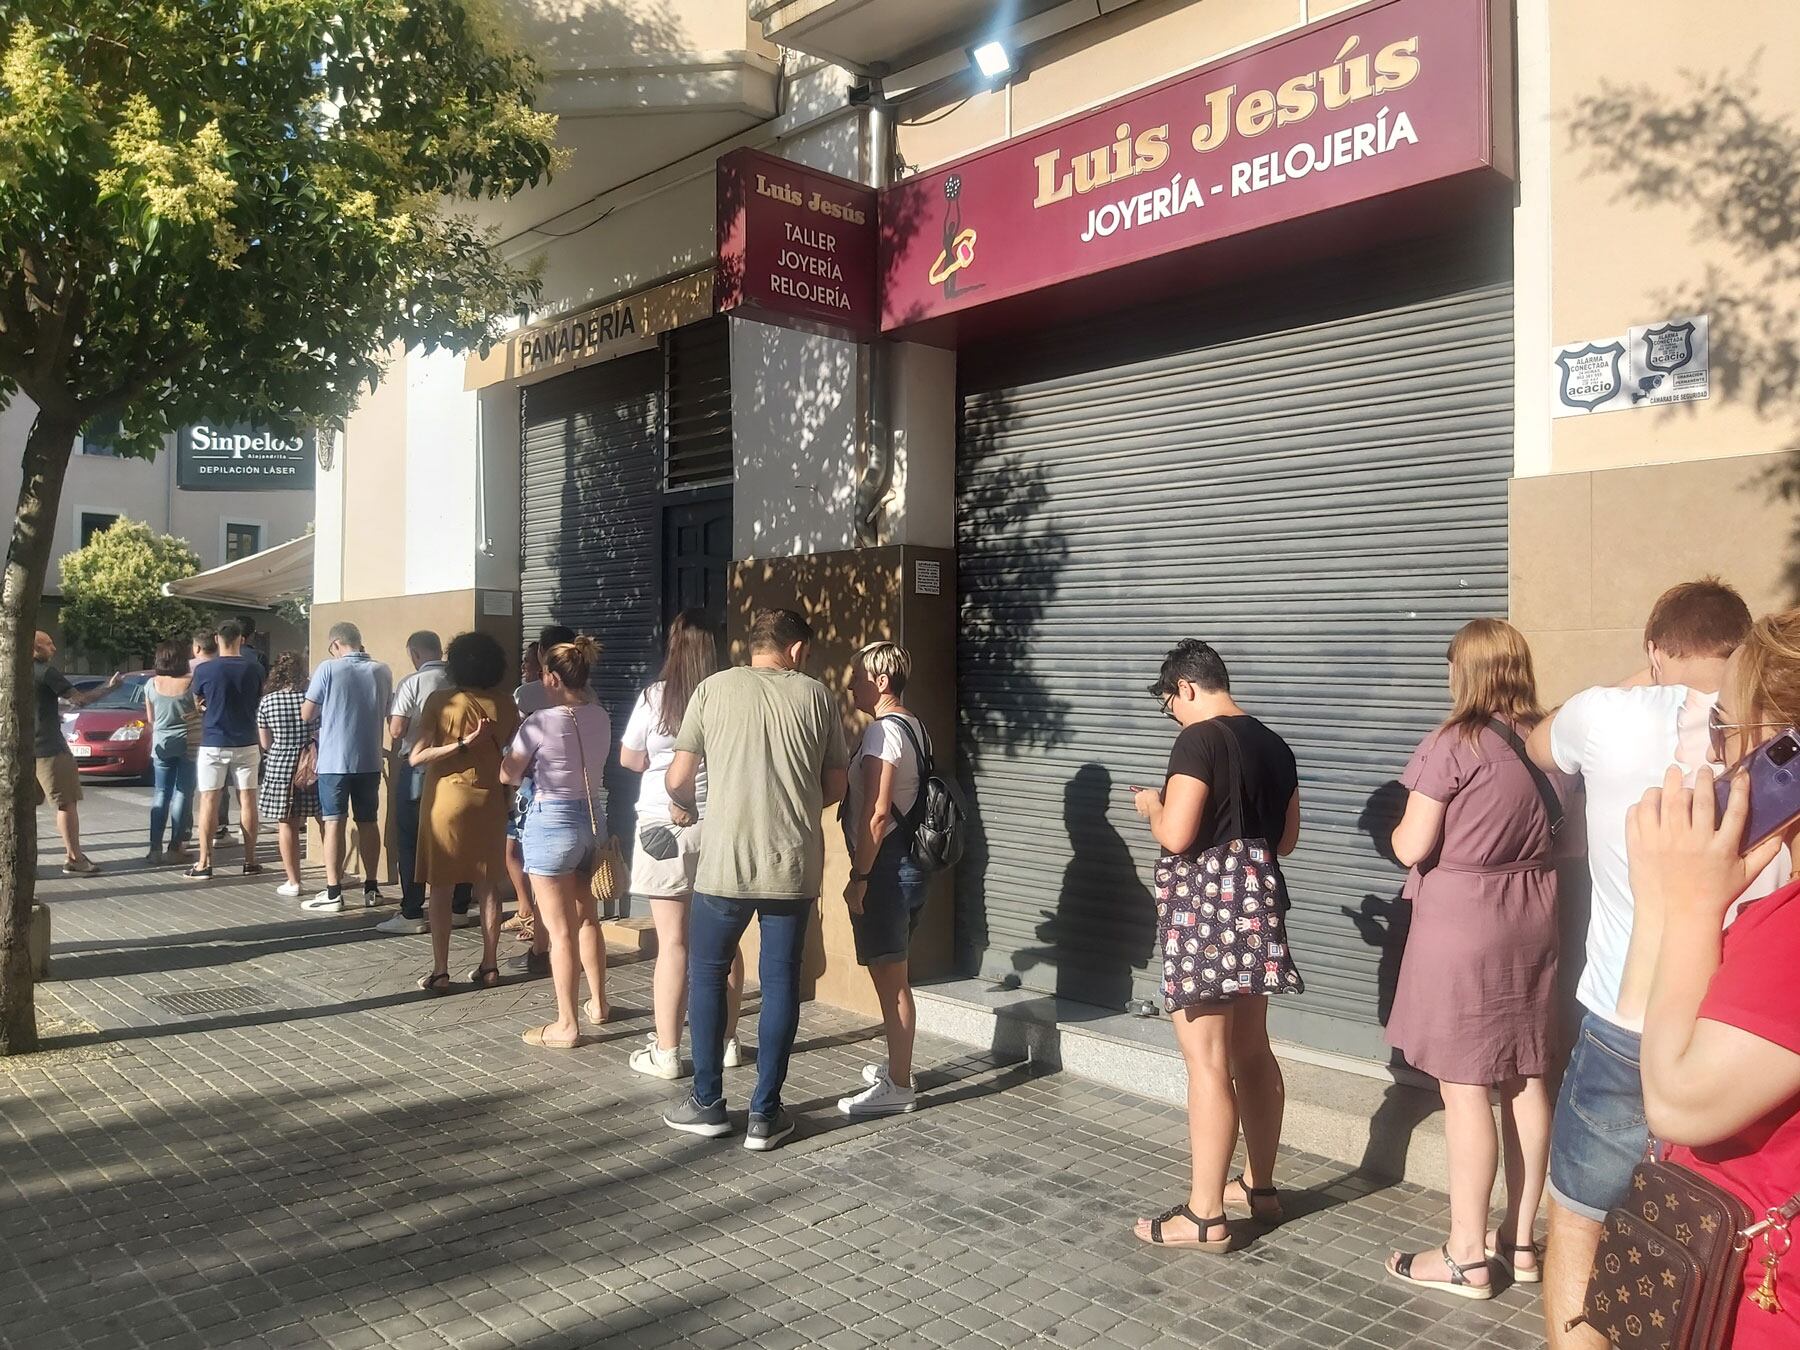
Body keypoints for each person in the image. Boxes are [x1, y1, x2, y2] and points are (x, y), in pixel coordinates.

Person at [1525, 578, 1756, 1345]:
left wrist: (1644, 679)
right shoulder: (1770, 728)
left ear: (1657, 647)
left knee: (1582, 1227)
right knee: (1718, 1240)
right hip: (1738, 1040)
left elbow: (1536, 741)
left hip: (1627, 1022)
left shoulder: (1603, 713)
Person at [1382, 620, 1572, 1299]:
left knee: (1465, 1090)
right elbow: (1570, 844)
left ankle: (1465, 1255)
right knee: (1527, 1077)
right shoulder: (1553, 745)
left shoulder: (1451, 743)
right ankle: (1520, 1244)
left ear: (1467, 671)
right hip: (1537, 915)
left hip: (1465, 921)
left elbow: (1410, 845)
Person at [1629, 609, 1800, 1350]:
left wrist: (1693, 902)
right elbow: (1643, 1011)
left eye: (1732, 726)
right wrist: (1668, 900)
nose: (1721, 756)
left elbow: (1676, 1101)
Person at [1130, 639, 1302, 1251]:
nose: (1172, 715)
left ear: (1188, 687)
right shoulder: (1274, 742)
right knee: (1253, 1050)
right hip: (1257, 907)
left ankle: (1204, 1217)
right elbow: (1286, 840)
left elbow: (1178, 836)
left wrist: (1153, 805)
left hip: (1206, 911)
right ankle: (1260, 1187)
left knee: (1206, 1061)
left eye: (1170, 703)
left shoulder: (1196, 740)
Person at [661, 609, 849, 1153]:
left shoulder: (711, 690)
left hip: (723, 864)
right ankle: (766, 1115)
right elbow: (835, 784)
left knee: (708, 973)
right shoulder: (816, 696)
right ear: (794, 649)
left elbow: (677, 778)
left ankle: (707, 1102)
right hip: (791, 866)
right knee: (781, 983)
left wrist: (685, 807)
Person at [620, 609, 743, 1080]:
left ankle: (668, 1052)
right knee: (725, 940)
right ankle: (727, 1042)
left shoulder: (654, 698)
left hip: (660, 828)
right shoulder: (729, 696)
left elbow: (630, 759)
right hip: (719, 824)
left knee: (672, 943)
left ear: (674, 646)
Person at [500, 635, 612, 1046]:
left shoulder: (538, 722)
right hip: (592, 819)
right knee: (588, 918)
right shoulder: (600, 716)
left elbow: (508, 774)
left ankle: (566, 1024)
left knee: (559, 929)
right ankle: (599, 1003)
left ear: (549, 677)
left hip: (551, 822)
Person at [836, 641, 932, 1116]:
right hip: (909, 866)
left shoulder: (882, 734)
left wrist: (860, 876)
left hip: (886, 870)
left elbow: (876, 816)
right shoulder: (915, 726)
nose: (849, 684)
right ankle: (898, 1065)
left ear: (879, 683)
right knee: (894, 974)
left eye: (855, 676)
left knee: (891, 979)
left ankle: (898, 1085)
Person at [410, 632, 520, 991]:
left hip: (446, 800)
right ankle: (490, 964)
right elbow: (514, 757)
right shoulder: (506, 705)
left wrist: (460, 744)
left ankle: (441, 969)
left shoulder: (442, 701)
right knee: (488, 885)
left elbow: (417, 756)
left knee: (440, 886)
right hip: (490, 799)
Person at [379, 631, 474, 936]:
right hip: (459, 764)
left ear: (415, 654)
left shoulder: (412, 682)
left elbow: (396, 729)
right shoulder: (461, 679)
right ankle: (459, 907)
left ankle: (411, 911)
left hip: (419, 766)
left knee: (411, 839)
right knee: (458, 838)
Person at [301, 622, 393, 912]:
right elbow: (389, 712)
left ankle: (333, 891)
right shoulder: (382, 670)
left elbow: (307, 713)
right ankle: (371, 887)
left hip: (333, 760)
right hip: (369, 760)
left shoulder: (328, 668)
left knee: (334, 822)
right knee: (368, 822)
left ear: (336, 644)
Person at [503, 626, 572, 971]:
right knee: (578, 894)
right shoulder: (592, 701)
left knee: (536, 867)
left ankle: (542, 947)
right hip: (580, 800)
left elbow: (511, 763)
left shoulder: (529, 697)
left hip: (537, 791)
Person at [31, 631, 120, 874]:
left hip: (19, 749)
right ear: (35, 648)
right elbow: (79, 700)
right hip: (49, 749)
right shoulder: (46, 671)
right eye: (48, 644)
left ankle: (21, 861)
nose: (54, 648)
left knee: (22, 808)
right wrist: (109, 688)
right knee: (66, 803)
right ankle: (74, 858)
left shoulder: (9, 670)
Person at [187, 620, 264, 879]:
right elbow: (257, 699)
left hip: (213, 741)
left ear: (218, 640)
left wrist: (205, 708)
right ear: (241, 639)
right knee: (248, 799)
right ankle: (250, 860)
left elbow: (198, 702)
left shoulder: (205, 670)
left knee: (209, 799)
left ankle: (204, 862)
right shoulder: (255, 669)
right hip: (246, 740)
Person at [256, 652, 321, 898]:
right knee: (324, 818)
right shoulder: (311, 699)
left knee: (286, 823)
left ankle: (294, 881)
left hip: (281, 765)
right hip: (311, 763)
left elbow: (265, 742)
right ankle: (332, 878)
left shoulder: (268, 702)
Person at [143, 640, 199, 864]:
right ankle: (175, 846)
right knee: (183, 793)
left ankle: (154, 848)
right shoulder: (191, 683)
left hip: (162, 743)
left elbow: (150, 719)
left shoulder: (151, 684)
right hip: (189, 742)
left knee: (161, 793)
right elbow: (198, 712)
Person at [193, 629, 234, 842]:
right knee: (237, 794)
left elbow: (196, 702)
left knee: (205, 795)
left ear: (197, 647)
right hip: (235, 737)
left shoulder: (196, 670)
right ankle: (248, 858)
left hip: (205, 738)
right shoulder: (246, 667)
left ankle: (202, 857)